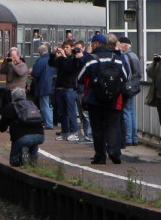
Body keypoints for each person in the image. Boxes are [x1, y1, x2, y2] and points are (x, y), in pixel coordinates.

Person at [79, 33, 126, 165]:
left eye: (92, 43)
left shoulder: (92, 59)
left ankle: (100, 156)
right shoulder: (116, 58)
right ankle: (114, 152)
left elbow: (80, 78)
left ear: (96, 44)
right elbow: (125, 76)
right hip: (114, 99)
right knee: (113, 126)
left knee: (98, 128)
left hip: (95, 99)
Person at [0, 87, 45, 166]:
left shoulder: (9, 107)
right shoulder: (32, 104)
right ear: (25, 96)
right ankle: (33, 162)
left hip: (22, 138)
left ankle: (17, 162)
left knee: (14, 161)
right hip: (40, 136)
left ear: (12, 97)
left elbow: (2, 128)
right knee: (33, 141)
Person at [50, 42, 83, 141]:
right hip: (60, 88)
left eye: (67, 47)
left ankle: (74, 132)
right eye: (64, 47)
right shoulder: (62, 59)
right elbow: (52, 64)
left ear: (72, 48)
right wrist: (53, 54)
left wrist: (64, 56)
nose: (65, 49)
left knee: (71, 111)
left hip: (69, 88)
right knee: (62, 112)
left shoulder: (74, 59)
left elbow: (70, 68)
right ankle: (65, 132)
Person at [116, 35, 143, 147]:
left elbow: (127, 73)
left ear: (124, 45)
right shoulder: (134, 56)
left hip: (127, 87)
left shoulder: (125, 57)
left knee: (126, 112)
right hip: (133, 87)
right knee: (131, 112)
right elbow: (138, 73)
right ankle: (134, 138)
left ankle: (128, 138)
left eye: (119, 44)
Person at [30, 44, 54, 129]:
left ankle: (48, 123)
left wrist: (30, 72)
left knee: (44, 106)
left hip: (43, 86)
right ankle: (50, 121)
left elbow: (35, 73)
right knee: (49, 105)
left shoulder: (40, 61)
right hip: (52, 85)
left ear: (41, 52)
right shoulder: (53, 59)